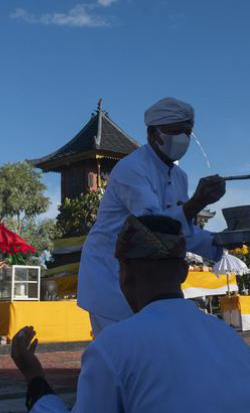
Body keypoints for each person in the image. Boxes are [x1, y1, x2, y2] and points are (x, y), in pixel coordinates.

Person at [11, 214, 250, 413]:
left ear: (124, 273)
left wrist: (34, 378)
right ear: (184, 272)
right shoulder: (231, 339)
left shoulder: (114, 347)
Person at [77, 97, 227, 335]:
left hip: (149, 278)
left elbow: (179, 230)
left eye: (187, 133)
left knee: (150, 349)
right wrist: (198, 201)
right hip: (111, 274)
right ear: (153, 134)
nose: (183, 139)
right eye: (175, 132)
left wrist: (217, 244)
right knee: (120, 351)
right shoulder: (131, 168)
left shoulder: (179, 177)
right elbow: (154, 228)